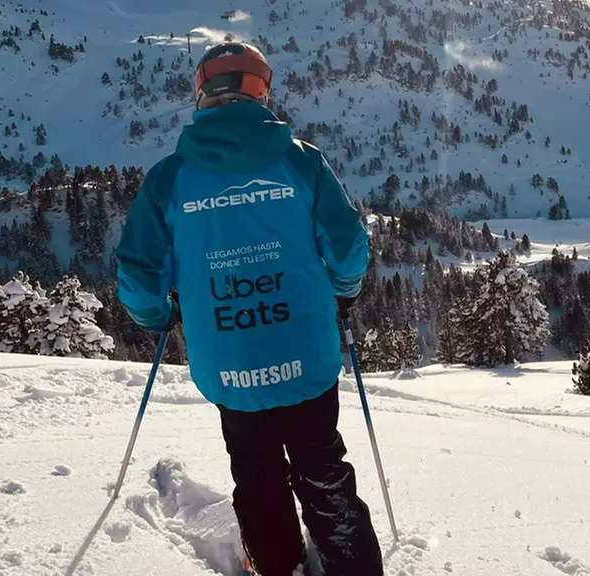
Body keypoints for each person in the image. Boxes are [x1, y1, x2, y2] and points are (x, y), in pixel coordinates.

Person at [115, 42, 382, 576]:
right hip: (306, 355)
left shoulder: (170, 179)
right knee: (323, 467)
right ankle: (351, 565)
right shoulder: (300, 161)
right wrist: (344, 289)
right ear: (262, 91)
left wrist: (156, 318)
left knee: (256, 473)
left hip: (230, 362)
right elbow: (349, 247)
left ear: (201, 93)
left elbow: (139, 276)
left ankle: (275, 563)